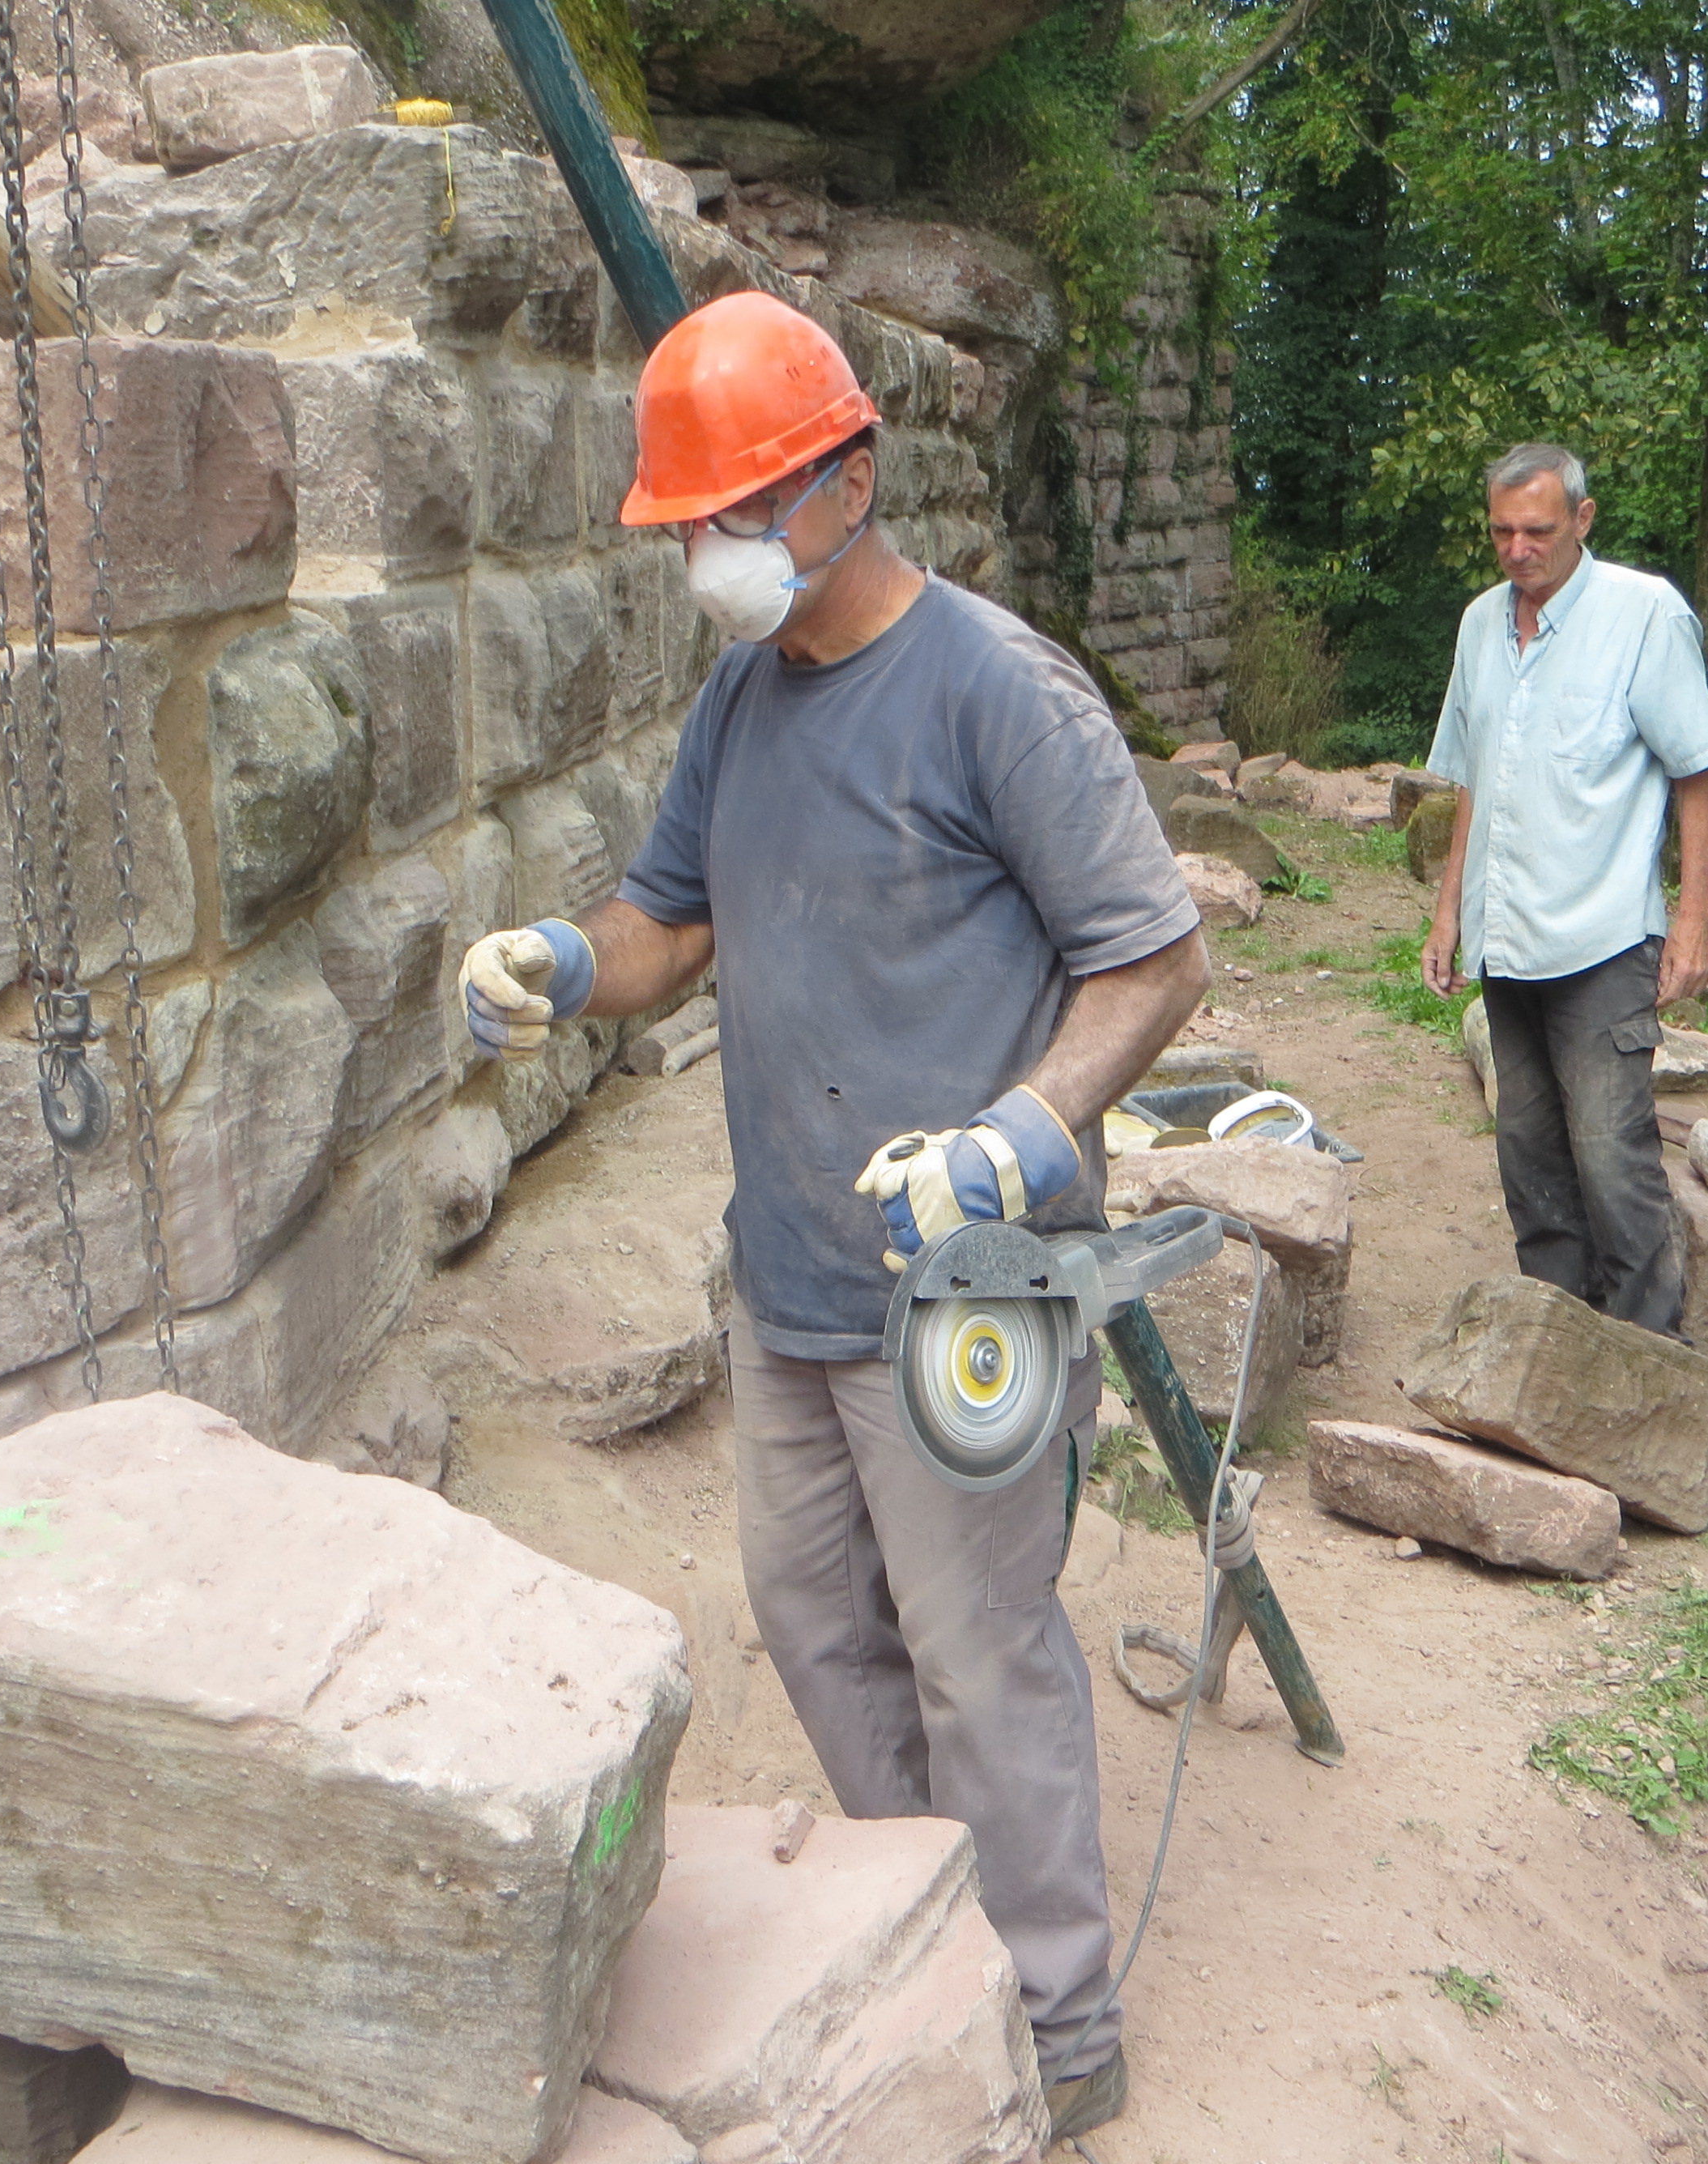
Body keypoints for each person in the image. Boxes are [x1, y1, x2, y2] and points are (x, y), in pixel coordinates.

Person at [455, 288, 1205, 2140]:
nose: (705, 555)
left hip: (968, 1283)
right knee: (812, 1616)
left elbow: (1153, 959)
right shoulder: (740, 700)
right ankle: (931, 1942)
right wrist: (566, 960)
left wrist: (1019, 1136)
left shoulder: (995, 691)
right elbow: (671, 926)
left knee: (978, 1646)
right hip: (791, 1268)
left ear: (849, 480)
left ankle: (1059, 2024)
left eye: (734, 512)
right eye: (688, 524)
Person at [1420, 442, 1708, 1339]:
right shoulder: (1480, 624)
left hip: (1602, 939)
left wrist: (1692, 923)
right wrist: (1449, 912)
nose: (1518, 550)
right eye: (1502, 532)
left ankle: (1649, 1359)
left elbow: (1697, 774)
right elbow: (1474, 777)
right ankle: (1556, 1341)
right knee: (1528, 1158)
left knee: (1610, 1158)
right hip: (1506, 937)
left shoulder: (1643, 615)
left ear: (1583, 520)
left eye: (1538, 531)